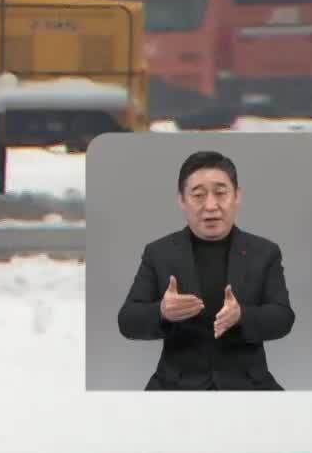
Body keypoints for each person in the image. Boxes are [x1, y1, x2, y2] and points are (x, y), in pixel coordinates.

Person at [116, 150, 294, 389]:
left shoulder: (264, 252)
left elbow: (283, 318)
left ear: (237, 196)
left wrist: (242, 315)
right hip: (176, 385)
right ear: (181, 200)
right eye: (198, 195)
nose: (211, 206)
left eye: (221, 193)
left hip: (248, 384)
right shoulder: (159, 253)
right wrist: (162, 311)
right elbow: (127, 320)